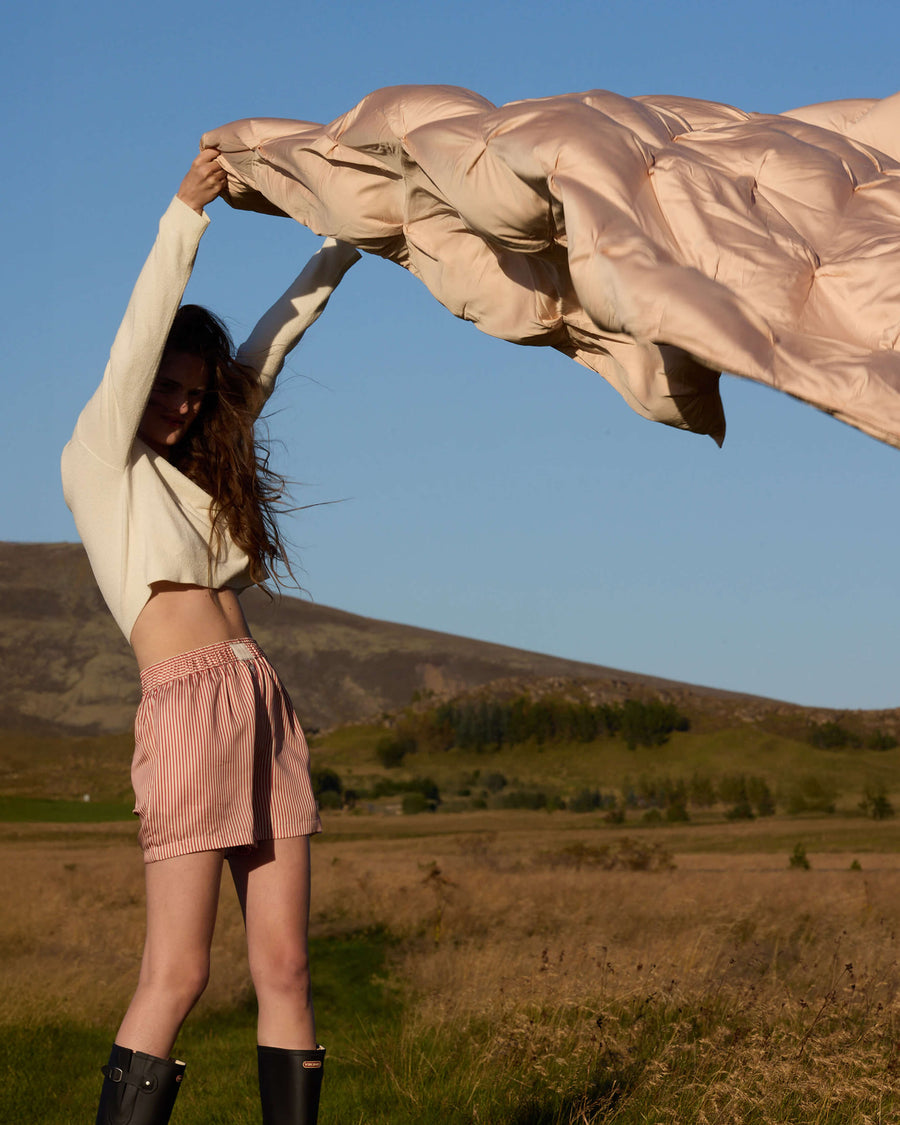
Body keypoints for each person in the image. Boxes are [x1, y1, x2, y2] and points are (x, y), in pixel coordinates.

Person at [61, 149, 360, 1125]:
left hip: (262, 705)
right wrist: (186, 215)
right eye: (168, 388)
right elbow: (143, 326)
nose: (182, 408)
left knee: (285, 963)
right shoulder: (102, 459)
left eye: (195, 393)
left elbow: (273, 342)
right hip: (187, 710)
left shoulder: (202, 465)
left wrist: (344, 245)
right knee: (178, 975)